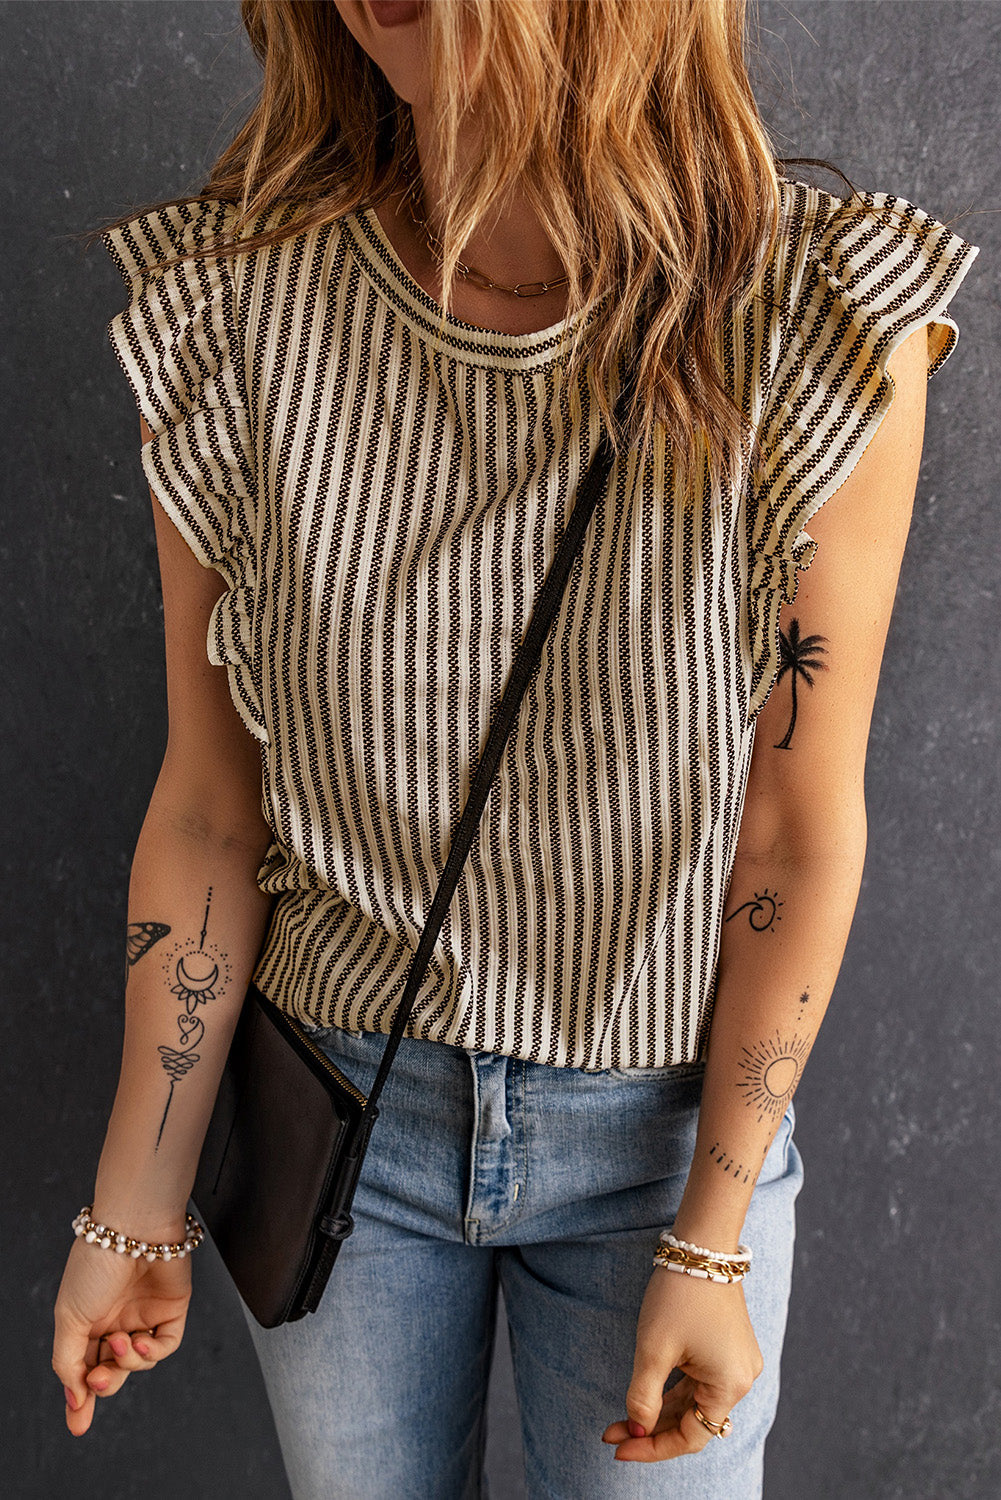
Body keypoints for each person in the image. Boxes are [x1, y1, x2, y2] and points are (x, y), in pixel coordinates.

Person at [53, 1, 979, 1495]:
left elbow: (793, 829)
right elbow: (215, 807)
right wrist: (131, 1208)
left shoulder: (814, 317)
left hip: (659, 1144)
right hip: (342, 1112)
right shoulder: (234, 308)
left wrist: (712, 1234)